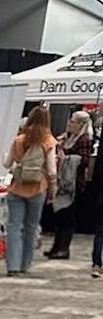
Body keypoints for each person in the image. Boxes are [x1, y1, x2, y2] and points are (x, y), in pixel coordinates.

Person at [3, 105, 57, 276]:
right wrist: (53, 186)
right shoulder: (49, 142)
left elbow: (7, 164)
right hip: (37, 188)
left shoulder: (19, 140)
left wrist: (4, 156)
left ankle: (12, 265)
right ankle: (25, 264)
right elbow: (52, 169)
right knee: (31, 227)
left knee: (13, 226)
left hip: (16, 187)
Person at [45, 109, 92, 259]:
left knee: (67, 216)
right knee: (60, 214)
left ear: (80, 124)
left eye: (72, 122)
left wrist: (66, 157)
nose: (69, 124)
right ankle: (56, 246)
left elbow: (84, 160)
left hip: (73, 182)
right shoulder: (69, 137)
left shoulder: (83, 139)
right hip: (63, 180)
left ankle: (64, 248)